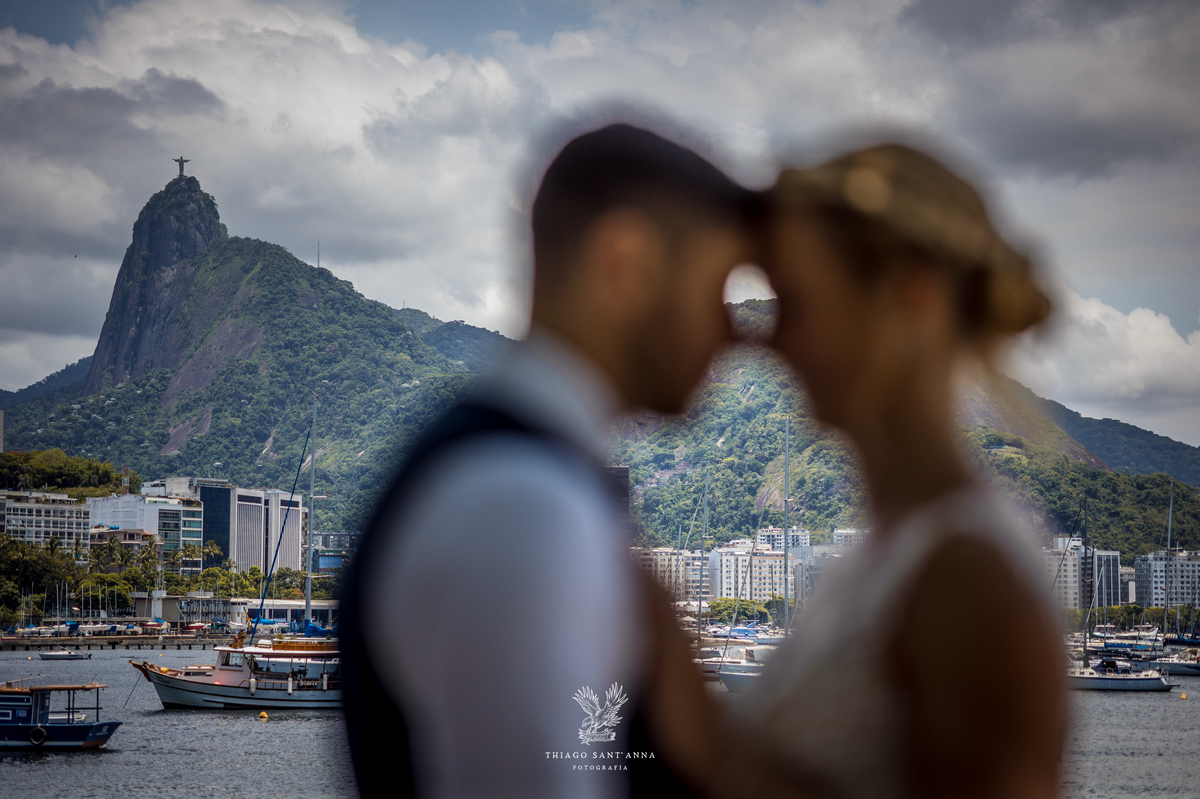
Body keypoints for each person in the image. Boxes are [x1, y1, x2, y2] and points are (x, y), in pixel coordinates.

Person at [340, 122, 756, 798]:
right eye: (717, 289)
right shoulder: (522, 505)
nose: (735, 333)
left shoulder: (506, 473)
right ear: (626, 262)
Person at [700, 143, 1067, 798]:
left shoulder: (967, 576)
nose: (766, 340)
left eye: (797, 305)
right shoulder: (888, 549)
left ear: (910, 301)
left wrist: (692, 733)